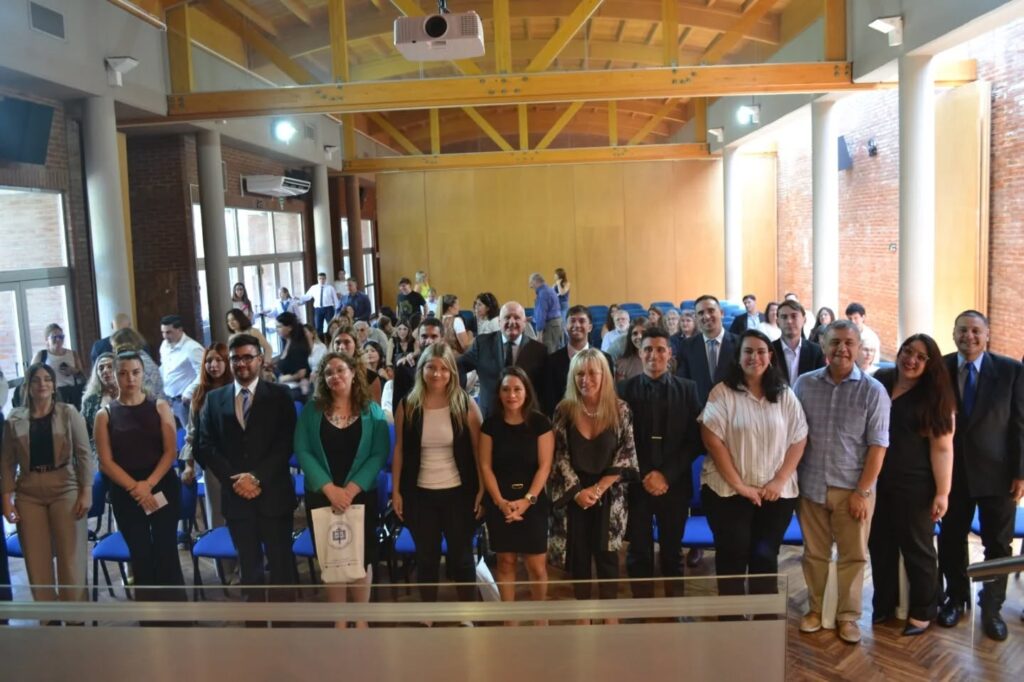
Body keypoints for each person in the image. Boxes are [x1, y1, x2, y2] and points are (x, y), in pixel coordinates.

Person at [793, 320, 890, 644]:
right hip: (811, 487)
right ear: (823, 345)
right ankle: (816, 610)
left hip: (853, 491)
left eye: (849, 342)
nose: (842, 349)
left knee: (853, 557)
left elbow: (878, 447)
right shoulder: (804, 384)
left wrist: (863, 492)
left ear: (859, 347)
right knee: (814, 555)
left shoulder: (873, 391)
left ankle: (848, 616)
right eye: (835, 342)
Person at [698, 330, 808, 598]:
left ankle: (763, 617)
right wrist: (740, 486)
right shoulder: (722, 393)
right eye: (748, 351)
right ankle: (732, 616)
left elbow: (799, 438)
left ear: (770, 356)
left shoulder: (785, 394)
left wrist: (779, 480)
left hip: (775, 493)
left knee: (765, 556)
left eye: (761, 351)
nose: (754, 357)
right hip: (727, 492)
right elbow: (712, 440)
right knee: (732, 554)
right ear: (738, 357)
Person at [937, 310, 1024, 641]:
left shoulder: (1011, 370)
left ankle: (992, 607)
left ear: (987, 335)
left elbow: (1020, 424)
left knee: (998, 545)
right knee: (951, 539)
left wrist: (1020, 473)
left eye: (976, 331)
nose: (969, 336)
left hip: (998, 476)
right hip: (952, 475)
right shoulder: (940, 368)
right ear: (953, 334)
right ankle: (956, 598)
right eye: (963, 330)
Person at [196, 334, 299, 600]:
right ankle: (254, 623)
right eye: (235, 358)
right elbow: (205, 445)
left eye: (247, 357)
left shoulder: (280, 395)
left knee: (281, 569)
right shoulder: (214, 399)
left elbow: (287, 442)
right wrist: (236, 480)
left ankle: (286, 622)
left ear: (260, 360)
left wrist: (256, 477)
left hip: (274, 495)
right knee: (249, 570)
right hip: (236, 497)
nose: (241, 363)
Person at [294, 351, 390, 625]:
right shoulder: (311, 411)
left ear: (353, 373)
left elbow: (379, 453)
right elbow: (302, 450)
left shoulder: (372, 411)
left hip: (360, 496)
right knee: (331, 559)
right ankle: (339, 620)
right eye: (328, 373)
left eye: (340, 370)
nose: (334, 376)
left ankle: (360, 618)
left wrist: (349, 491)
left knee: (361, 557)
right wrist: (330, 489)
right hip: (322, 495)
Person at [869, 334, 954, 636]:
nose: (911, 359)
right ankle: (884, 603)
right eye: (907, 351)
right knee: (880, 545)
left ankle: (923, 611)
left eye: (920, 356)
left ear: (930, 364)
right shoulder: (881, 379)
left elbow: (942, 449)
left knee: (918, 549)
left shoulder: (935, 396)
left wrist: (942, 492)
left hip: (915, 486)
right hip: (876, 480)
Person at [392, 343, 483, 603]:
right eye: (431, 367)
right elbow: (399, 450)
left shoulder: (465, 404)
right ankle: (428, 614)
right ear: (421, 369)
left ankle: (468, 613)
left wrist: (482, 489)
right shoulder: (408, 405)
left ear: (452, 372)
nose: (437, 374)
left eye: (444, 368)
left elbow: (479, 451)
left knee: (462, 557)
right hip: (420, 494)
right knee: (426, 558)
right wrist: (396, 491)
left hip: (459, 493)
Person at [549, 349, 638, 605]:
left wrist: (598, 489)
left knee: (607, 557)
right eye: (579, 374)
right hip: (574, 494)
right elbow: (559, 455)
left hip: (609, 492)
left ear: (604, 375)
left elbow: (626, 454)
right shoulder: (564, 409)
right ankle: (583, 613)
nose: (585, 379)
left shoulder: (621, 409)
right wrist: (578, 492)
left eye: (591, 373)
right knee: (579, 557)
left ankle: (609, 614)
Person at [617, 328, 702, 598]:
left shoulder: (687, 389)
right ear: (640, 353)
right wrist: (646, 475)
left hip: (674, 485)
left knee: (672, 551)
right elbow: (621, 440)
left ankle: (674, 607)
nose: (654, 355)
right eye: (648, 349)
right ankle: (642, 607)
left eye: (660, 349)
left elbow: (694, 441)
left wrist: (665, 475)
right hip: (637, 484)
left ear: (670, 354)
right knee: (638, 551)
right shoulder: (623, 390)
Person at [94, 351, 185, 601]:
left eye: (135, 372)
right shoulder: (105, 414)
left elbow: (170, 451)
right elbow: (106, 462)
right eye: (123, 373)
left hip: (161, 483)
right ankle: (150, 615)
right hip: (126, 491)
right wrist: (136, 488)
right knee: (140, 553)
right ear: (114, 376)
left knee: (166, 549)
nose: (130, 379)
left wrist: (148, 485)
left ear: (143, 373)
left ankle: (179, 613)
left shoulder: (159, 406)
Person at [1, 363, 94, 604]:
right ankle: (48, 619)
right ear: (27, 387)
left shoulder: (68, 413)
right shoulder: (14, 419)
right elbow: (7, 462)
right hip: (28, 492)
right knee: (36, 560)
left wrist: (86, 491)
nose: (42, 384)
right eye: (36, 380)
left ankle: (74, 618)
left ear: (54, 386)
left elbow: (84, 454)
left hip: (65, 487)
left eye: (47, 379)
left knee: (70, 558)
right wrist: (6, 499)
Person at [478, 367, 553, 604]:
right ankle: (509, 618)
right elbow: (485, 466)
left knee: (536, 565)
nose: (511, 395)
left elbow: (545, 466)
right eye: (506, 389)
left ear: (526, 392)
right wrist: (500, 502)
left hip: (533, 501)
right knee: (505, 562)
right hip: (500, 501)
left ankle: (541, 618)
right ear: (499, 393)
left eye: (517, 389)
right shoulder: (490, 425)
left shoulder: (540, 423)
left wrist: (527, 501)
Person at [458, 301, 547, 419]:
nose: (512, 322)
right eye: (507, 317)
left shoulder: (539, 350)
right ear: (499, 322)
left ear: (525, 322)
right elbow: (458, 366)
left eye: (517, 318)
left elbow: (544, 389)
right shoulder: (482, 344)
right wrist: (459, 395)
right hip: (489, 417)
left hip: (525, 418)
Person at [179, 344, 233, 535]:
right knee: (217, 513)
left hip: (237, 459)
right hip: (211, 460)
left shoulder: (236, 389)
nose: (213, 365)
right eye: (209, 361)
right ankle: (220, 551)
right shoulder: (199, 393)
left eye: (219, 360)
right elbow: (192, 433)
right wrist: (189, 466)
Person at [544, 305, 614, 416]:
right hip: (564, 420)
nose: (576, 325)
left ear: (590, 327)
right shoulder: (551, 361)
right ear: (565, 327)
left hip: (598, 419)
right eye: (572, 321)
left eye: (582, 321)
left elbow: (608, 394)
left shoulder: (605, 359)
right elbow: (549, 400)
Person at [676, 295, 739, 403]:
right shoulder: (686, 346)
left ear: (722, 313)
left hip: (732, 408)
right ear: (696, 318)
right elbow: (683, 383)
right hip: (699, 409)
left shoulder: (739, 343)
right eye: (701, 313)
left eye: (711, 311)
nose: (706, 316)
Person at [159, 314, 204, 429]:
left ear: (179, 329)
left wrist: (189, 392)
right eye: (163, 332)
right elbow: (164, 368)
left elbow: (203, 373)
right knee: (170, 433)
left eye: (168, 332)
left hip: (184, 401)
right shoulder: (164, 345)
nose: (165, 336)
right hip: (168, 399)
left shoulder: (193, 348)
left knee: (191, 434)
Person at [771, 300, 825, 387]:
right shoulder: (769, 350)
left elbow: (821, 383)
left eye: (794, 316)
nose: (789, 321)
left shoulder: (816, 351)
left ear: (804, 320)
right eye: (784, 317)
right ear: (777, 322)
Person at [32, 323, 85, 407]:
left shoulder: (72, 354)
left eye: (61, 337)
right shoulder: (41, 355)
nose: (58, 340)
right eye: (54, 337)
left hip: (72, 393)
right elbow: (31, 375)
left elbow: (83, 376)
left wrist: (74, 371)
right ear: (47, 340)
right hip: (51, 394)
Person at [111, 328, 166, 401]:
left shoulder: (137, 361)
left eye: (114, 347)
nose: (113, 350)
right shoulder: (142, 356)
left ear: (123, 344)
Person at [80, 352, 119, 445]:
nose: (105, 370)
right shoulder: (90, 400)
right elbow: (83, 433)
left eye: (110, 366)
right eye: (101, 368)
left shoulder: (130, 395)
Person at [273, 312, 311, 402]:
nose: (277, 330)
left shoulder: (297, 347)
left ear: (289, 328)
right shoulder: (286, 343)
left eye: (279, 327)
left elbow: (302, 373)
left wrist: (285, 378)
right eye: (276, 327)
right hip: (287, 387)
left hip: (295, 389)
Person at [529, 273, 565, 354]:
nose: (531, 286)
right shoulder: (549, 290)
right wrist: (532, 318)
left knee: (548, 352)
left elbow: (541, 314)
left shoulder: (543, 293)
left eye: (531, 283)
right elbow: (550, 310)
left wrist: (539, 335)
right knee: (556, 351)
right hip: (556, 325)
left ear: (536, 281)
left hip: (550, 327)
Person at [301, 273, 341, 337]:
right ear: (318, 279)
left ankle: (331, 339)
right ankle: (321, 340)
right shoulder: (313, 288)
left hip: (328, 309)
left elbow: (335, 299)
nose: (321, 280)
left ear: (325, 279)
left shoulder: (330, 288)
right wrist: (299, 299)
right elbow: (307, 296)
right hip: (318, 309)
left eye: (323, 279)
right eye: (320, 279)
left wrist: (337, 310)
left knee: (331, 325)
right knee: (318, 327)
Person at [613, 317, 648, 382]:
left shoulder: (662, 360)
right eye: (635, 333)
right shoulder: (623, 364)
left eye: (643, 333)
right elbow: (621, 388)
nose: (639, 336)